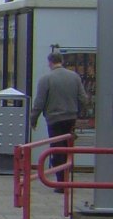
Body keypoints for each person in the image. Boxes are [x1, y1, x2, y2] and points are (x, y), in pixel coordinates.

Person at [30, 52, 89, 192]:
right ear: (62, 61)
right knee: (68, 148)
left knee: (57, 149)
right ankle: (67, 178)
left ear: (50, 62)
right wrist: (79, 113)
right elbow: (83, 98)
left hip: (54, 119)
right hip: (71, 118)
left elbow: (39, 102)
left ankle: (61, 182)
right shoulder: (74, 77)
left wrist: (33, 119)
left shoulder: (46, 79)